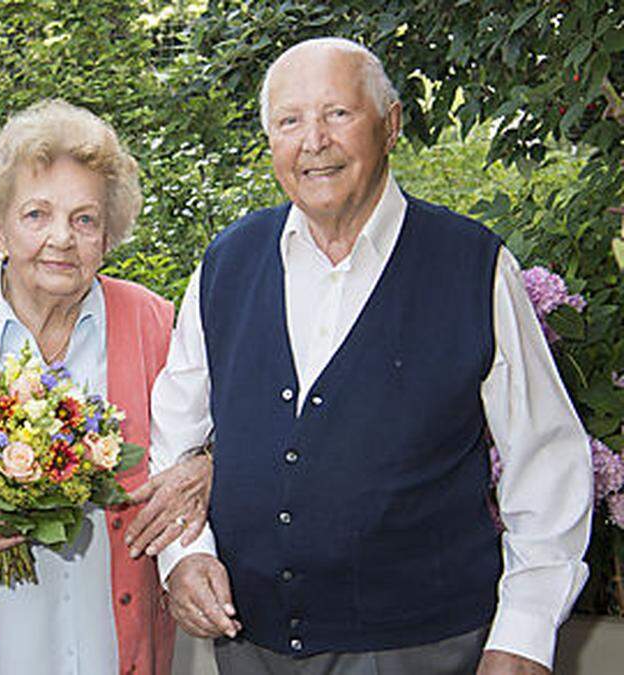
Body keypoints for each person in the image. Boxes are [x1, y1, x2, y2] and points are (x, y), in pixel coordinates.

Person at [152, 37, 593, 674]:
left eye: (338, 113)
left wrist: (524, 633)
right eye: (290, 120)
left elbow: (546, 460)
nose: (314, 141)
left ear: (389, 125)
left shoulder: (473, 266)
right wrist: (186, 555)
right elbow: (177, 435)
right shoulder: (227, 262)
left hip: (425, 646)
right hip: (251, 645)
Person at [0, 100, 208, 675]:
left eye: (85, 219)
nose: (62, 238)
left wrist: (205, 462)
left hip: (114, 640)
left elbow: (191, 449)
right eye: (36, 215)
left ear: (108, 235)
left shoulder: (153, 323)